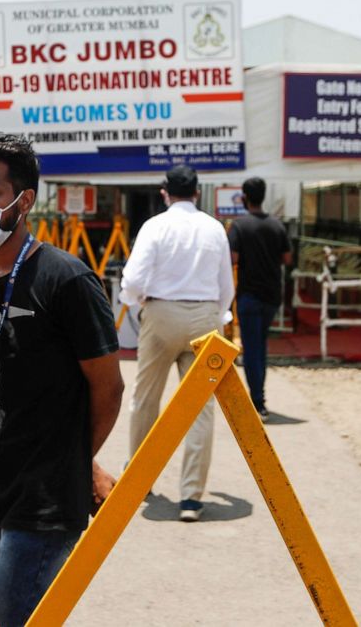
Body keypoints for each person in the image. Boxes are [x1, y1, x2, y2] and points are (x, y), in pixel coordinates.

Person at [0, 132, 123, 626]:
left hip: (46, 504)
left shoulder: (66, 280)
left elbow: (108, 388)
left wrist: (76, 462)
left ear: (23, 201)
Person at [119, 164, 234, 522]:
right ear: (197, 192)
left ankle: (141, 479)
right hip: (204, 317)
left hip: (162, 314)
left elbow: (134, 278)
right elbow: (226, 285)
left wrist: (134, 300)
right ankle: (191, 497)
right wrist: (222, 315)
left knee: (145, 398)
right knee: (200, 407)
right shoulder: (214, 228)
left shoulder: (155, 226)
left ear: (164, 192)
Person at [228, 177, 292, 422]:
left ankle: (258, 401)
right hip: (271, 296)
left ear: (244, 197)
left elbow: (232, 258)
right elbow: (287, 259)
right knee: (260, 347)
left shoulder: (239, 226)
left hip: (249, 296)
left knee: (252, 349)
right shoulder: (277, 226)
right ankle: (258, 396)